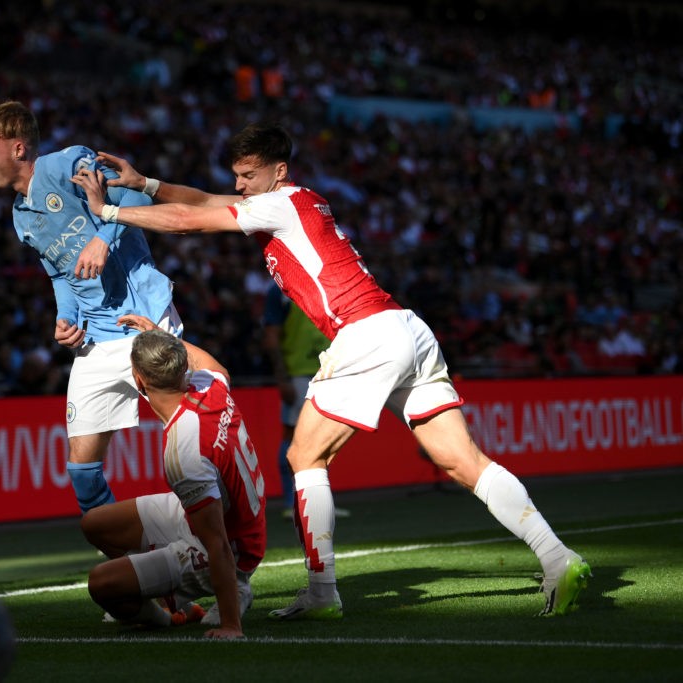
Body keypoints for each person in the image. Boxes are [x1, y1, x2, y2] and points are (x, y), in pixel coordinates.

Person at [70, 123, 591, 619]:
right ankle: (557, 557)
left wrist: (109, 212)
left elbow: (191, 220)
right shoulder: (292, 201)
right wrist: (148, 184)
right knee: (462, 461)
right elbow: (205, 201)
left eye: (248, 175)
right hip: (406, 327)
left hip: (365, 333)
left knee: (304, 454)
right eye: (236, 174)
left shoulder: (279, 203)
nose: (238, 185)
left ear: (278, 171)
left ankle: (322, 591)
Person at [0, 100, 181, 514]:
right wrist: (66, 318)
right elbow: (60, 274)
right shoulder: (21, 216)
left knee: (189, 444)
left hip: (143, 320)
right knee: (83, 472)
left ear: (16, 149)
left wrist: (104, 236)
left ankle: (225, 540)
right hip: (95, 341)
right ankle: (140, 563)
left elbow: (136, 200)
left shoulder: (66, 163)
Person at [80, 314, 265, 640]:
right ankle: (168, 595)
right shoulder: (210, 384)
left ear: (139, 381)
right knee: (94, 523)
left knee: (102, 584)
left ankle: (176, 612)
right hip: (221, 512)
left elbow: (217, 544)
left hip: (227, 546)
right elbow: (216, 366)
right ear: (182, 368)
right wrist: (160, 334)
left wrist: (230, 626)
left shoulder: (183, 452)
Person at [262, 280, 329, 517]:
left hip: (325, 370)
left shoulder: (324, 285)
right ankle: (293, 501)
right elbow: (271, 336)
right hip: (299, 372)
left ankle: (318, 500)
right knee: (294, 435)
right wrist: (282, 377)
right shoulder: (281, 290)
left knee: (321, 437)